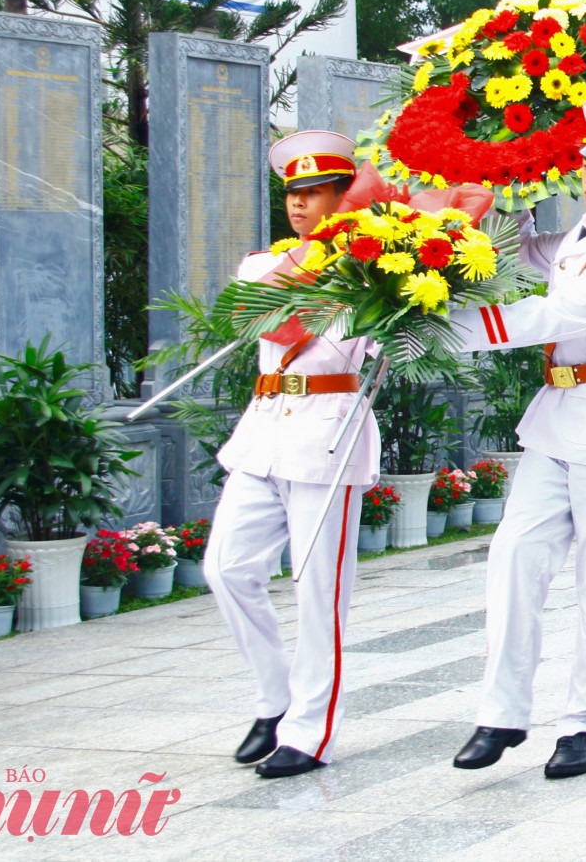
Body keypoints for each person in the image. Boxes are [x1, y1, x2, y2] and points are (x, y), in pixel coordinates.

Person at [447, 100, 586, 779]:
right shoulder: (582, 233)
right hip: (557, 417)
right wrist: (506, 180)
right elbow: (518, 255)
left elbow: (548, 311)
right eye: (585, 164)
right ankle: (502, 711)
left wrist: (439, 330)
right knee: (514, 556)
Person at [206, 130, 378, 780]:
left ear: (345, 196)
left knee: (319, 593)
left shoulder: (374, 267)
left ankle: (311, 729)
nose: (300, 205)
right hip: (265, 431)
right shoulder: (264, 264)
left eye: (315, 193)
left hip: (326, 436)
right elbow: (261, 313)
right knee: (226, 566)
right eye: (293, 194)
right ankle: (275, 699)